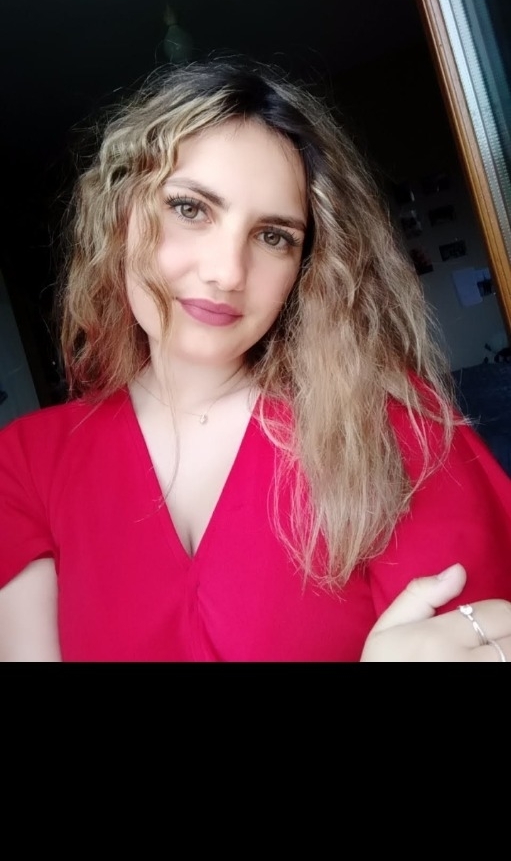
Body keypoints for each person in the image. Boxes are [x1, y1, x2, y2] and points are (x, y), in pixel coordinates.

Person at [1, 55, 511, 663]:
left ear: (306, 268)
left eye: (274, 237)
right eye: (190, 208)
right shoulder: (25, 463)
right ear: (121, 215)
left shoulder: (389, 428)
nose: (227, 272)